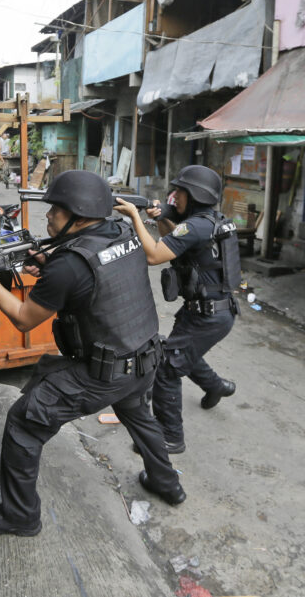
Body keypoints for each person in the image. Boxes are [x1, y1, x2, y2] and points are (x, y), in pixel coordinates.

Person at [0, 170, 185, 537]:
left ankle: (19, 517)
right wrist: (49, 265)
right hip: (144, 356)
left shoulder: (69, 264)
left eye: (56, 211)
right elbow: (98, 277)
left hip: (104, 372)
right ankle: (167, 482)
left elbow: (23, 319)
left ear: (79, 218)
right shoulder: (121, 232)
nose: (47, 217)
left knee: (23, 422)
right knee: (137, 415)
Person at [115, 165, 240, 454]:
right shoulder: (209, 221)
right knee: (179, 351)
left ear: (194, 195)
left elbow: (154, 255)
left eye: (179, 193)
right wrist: (160, 218)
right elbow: (175, 243)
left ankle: (171, 437)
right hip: (206, 311)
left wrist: (136, 218)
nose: (173, 197)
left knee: (167, 369)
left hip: (208, 315)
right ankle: (216, 386)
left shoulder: (195, 225)